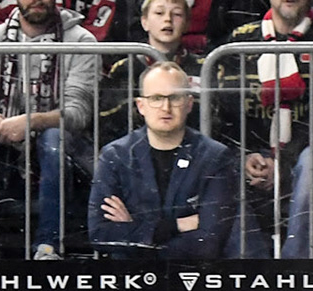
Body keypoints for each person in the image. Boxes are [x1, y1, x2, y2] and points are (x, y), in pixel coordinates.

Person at [0, 0, 99, 260]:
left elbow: (78, 113)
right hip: (5, 146)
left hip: (64, 145)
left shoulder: (81, 39)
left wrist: (32, 121)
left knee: (53, 138)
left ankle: (48, 247)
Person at [209, 0, 313, 257]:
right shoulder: (241, 39)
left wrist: (282, 162)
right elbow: (226, 112)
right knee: (221, 162)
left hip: (310, 150)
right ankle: (253, 273)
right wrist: (246, 154)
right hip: (257, 150)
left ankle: (295, 268)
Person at [88, 61, 236, 257]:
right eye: (156, 98)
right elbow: (100, 233)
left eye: (174, 98)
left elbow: (209, 241)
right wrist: (177, 226)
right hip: (128, 278)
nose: (166, 107)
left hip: (190, 277)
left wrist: (136, 232)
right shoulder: (115, 155)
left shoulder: (215, 157)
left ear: (189, 104)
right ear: (141, 106)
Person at [99, 0, 201, 140]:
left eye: (177, 14)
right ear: (144, 22)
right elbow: (109, 119)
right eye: (159, 13)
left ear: (187, 23)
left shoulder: (202, 67)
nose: (167, 19)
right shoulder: (125, 69)